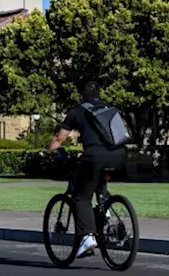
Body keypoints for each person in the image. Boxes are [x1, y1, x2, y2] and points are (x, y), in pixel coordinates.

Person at [46, 80, 129, 259]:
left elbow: (59, 139)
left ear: (81, 95)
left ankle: (88, 238)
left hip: (95, 157)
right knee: (99, 184)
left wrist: (48, 151)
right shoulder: (109, 109)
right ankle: (106, 212)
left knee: (81, 197)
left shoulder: (77, 111)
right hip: (120, 155)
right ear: (99, 94)